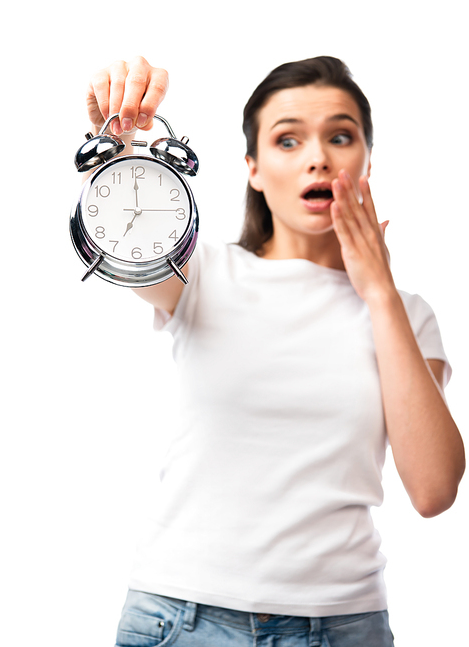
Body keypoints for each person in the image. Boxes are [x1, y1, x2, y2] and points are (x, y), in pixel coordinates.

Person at [85, 55, 465, 647]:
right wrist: (121, 151)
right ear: (254, 169)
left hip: (344, 626)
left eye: (340, 136)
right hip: (182, 620)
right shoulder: (204, 273)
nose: (318, 157)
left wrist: (379, 294)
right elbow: (128, 241)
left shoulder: (408, 313)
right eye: (288, 140)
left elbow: (434, 489)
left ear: (367, 158)